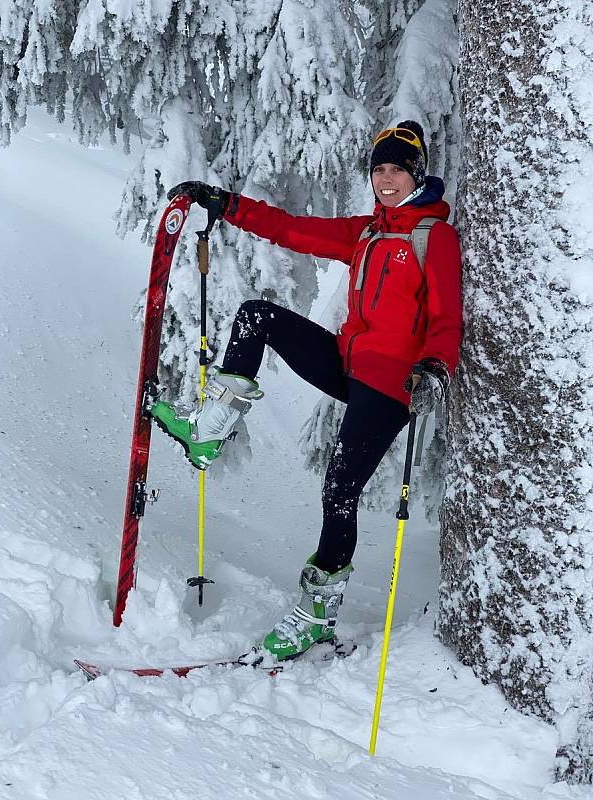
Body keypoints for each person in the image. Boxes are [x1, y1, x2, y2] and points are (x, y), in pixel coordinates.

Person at [151, 121, 462, 661]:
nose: (386, 179)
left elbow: (446, 319)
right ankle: (210, 430)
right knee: (255, 318)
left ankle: (317, 618)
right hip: (348, 364)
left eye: (397, 169)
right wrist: (227, 205)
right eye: (379, 169)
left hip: (391, 385)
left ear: (417, 173)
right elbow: (292, 230)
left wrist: (435, 367)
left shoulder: (433, 238)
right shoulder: (367, 233)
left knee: (339, 490)